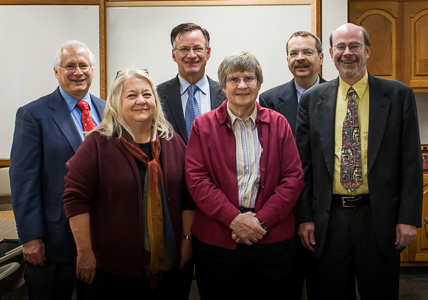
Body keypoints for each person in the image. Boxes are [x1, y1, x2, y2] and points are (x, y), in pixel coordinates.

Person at [295, 23, 423, 299]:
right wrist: (305, 217)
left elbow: (410, 161)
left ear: (367, 50)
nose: (347, 53)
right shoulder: (311, 99)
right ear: (329, 53)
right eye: (340, 47)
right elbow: (303, 165)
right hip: (330, 220)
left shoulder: (398, 95)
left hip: (380, 219)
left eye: (354, 45)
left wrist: (408, 219)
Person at [62, 68, 193, 299]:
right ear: (116, 102)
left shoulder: (173, 141)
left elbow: (187, 198)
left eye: (147, 94)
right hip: (112, 272)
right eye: (131, 95)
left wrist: (187, 240)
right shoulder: (97, 143)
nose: (140, 101)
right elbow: (75, 199)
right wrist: (84, 252)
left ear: (155, 100)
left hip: (169, 268)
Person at [185, 51, 304, 300]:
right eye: (233, 79)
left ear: (259, 84)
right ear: (223, 86)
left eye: (249, 78)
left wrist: (260, 222)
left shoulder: (279, 123)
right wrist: (234, 220)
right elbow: (197, 180)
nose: (242, 85)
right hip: (218, 240)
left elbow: (292, 178)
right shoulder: (203, 126)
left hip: (271, 237)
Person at [9, 40, 105, 300]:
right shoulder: (33, 114)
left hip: (102, 237)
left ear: (93, 70)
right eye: (70, 66)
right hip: (53, 240)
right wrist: (31, 237)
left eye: (84, 65)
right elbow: (24, 179)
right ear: (56, 72)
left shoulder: (109, 111)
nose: (78, 72)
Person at [259, 31, 324, 299]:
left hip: (326, 212)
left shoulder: (342, 96)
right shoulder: (268, 101)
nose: (301, 59)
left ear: (321, 57)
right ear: (287, 59)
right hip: (284, 213)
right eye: (294, 53)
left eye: (307, 52)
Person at [157, 23, 226, 144]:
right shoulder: (157, 95)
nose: (191, 55)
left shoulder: (227, 94)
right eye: (184, 49)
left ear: (208, 53)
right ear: (174, 55)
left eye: (198, 48)